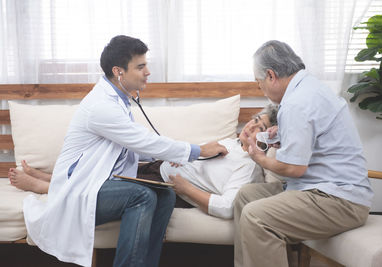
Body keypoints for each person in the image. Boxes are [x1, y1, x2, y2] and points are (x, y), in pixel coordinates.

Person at [22, 35, 228, 267]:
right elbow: (141, 141)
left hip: (101, 184)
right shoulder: (101, 106)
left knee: (165, 194)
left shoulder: (118, 100)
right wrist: (198, 150)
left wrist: (169, 154)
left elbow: (130, 147)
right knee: (141, 195)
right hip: (80, 191)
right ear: (119, 71)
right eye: (140, 66)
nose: (148, 72)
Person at [233, 40, 374, 267]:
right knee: (246, 196)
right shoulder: (307, 89)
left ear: (271, 75)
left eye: (259, 83)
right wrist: (283, 136)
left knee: (255, 216)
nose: (261, 89)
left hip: (340, 201)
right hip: (321, 190)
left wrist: (258, 158)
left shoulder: (297, 102)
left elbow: (294, 169)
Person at [10, 105, 279, 220]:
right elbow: (205, 163)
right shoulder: (230, 143)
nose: (252, 127)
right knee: (103, 164)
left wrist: (185, 188)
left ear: (269, 139)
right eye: (255, 120)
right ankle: (50, 176)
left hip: (169, 186)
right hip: (160, 166)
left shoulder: (248, 167)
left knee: (105, 185)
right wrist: (184, 157)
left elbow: (227, 207)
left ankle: (45, 187)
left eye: (260, 128)